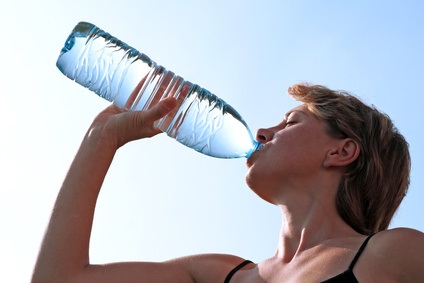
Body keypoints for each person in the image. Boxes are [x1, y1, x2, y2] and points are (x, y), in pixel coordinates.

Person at [32, 83, 424, 282]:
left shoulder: (391, 254)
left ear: (341, 152)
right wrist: (101, 139)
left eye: (289, 123)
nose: (263, 131)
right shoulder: (217, 274)